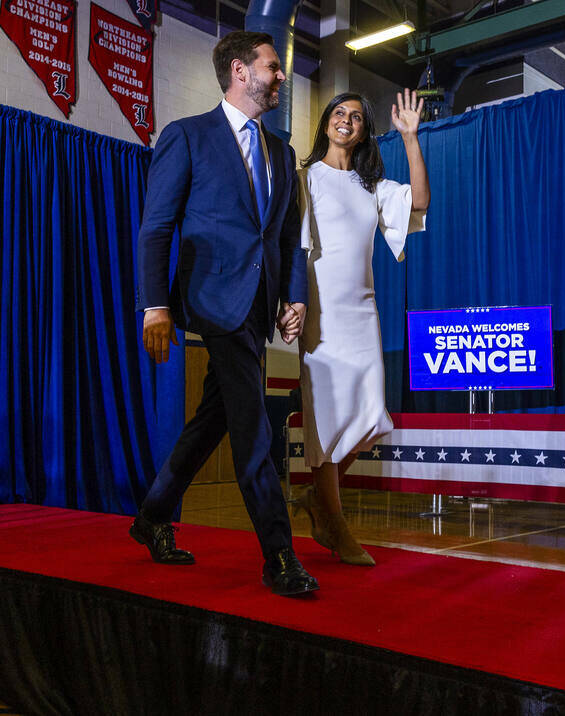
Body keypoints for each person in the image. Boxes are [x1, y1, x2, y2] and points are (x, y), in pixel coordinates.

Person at [132, 31, 318, 596]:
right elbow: (157, 226)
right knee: (252, 425)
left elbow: (287, 238)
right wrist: (155, 305)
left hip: (257, 309)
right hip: (213, 302)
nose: (280, 76)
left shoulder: (283, 153)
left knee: (217, 413)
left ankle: (153, 515)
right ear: (240, 71)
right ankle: (278, 554)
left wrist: (295, 299)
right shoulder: (187, 136)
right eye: (271, 67)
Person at [288, 89, 430, 564]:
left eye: (355, 116)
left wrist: (411, 137)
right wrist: (293, 304)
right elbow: (296, 251)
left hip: (363, 312)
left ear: (366, 130)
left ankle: (316, 498)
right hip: (320, 316)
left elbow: (419, 203)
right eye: (338, 113)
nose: (345, 120)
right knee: (327, 423)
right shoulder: (305, 179)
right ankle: (336, 527)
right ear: (326, 122)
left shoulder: (372, 186)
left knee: (371, 416)